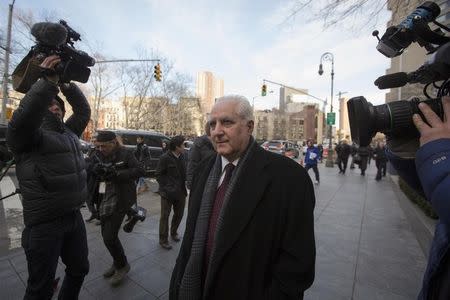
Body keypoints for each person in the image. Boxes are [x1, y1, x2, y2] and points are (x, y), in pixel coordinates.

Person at [169, 95, 315, 300]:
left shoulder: (289, 179)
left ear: (249, 127)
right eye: (212, 124)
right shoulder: (204, 170)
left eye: (226, 122)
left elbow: (297, 266)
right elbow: (190, 241)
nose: (217, 131)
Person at [6, 55, 90, 299]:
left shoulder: (70, 133)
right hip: (44, 225)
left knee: (80, 269)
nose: (55, 106)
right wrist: (46, 83)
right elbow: (23, 120)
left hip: (74, 217)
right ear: (41, 109)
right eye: (49, 104)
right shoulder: (28, 137)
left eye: (59, 105)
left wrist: (66, 84)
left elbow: (83, 110)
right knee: (40, 288)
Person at [93, 130, 144, 286]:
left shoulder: (126, 153)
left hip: (121, 199)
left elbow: (139, 171)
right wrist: (96, 170)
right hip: (104, 196)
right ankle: (117, 262)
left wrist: (117, 174)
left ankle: (122, 266)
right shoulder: (98, 153)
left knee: (109, 236)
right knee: (106, 235)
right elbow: (92, 168)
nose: (100, 149)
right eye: (98, 146)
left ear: (113, 143)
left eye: (103, 146)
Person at [156, 135, 187, 250]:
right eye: (183, 144)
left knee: (179, 214)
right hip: (167, 193)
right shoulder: (165, 158)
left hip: (181, 192)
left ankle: (173, 233)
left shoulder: (183, 156)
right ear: (176, 146)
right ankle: (163, 239)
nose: (185, 146)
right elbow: (158, 175)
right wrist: (167, 188)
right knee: (165, 216)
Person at [186, 123, 215, 190]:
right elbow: (192, 164)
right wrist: (191, 185)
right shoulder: (198, 145)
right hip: (201, 184)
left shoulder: (219, 144)